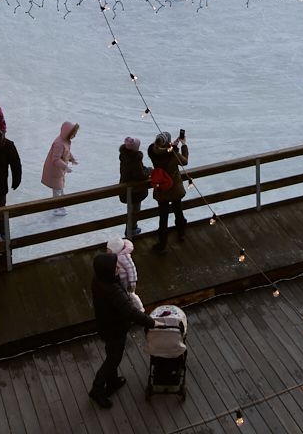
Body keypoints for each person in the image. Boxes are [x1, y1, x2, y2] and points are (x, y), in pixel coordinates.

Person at [87, 250, 157, 409]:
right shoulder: (112, 291)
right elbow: (131, 312)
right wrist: (152, 323)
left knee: (112, 354)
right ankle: (97, 389)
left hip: (106, 325)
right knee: (113, 359)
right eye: (115, 267)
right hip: (115, 329)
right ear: (108, 272)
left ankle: (112, 382)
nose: (118, 267)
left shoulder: (98, 280)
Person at [147, 130, 189, 253]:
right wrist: (183, 145)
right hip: (174, 188)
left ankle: (162, 244)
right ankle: (181, 234)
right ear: (167, 144)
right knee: (178, 211)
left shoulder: (152, 152)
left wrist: (172, 146)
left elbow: (161, 150)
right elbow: (185, 161)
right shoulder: (173, 155)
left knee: (163, 217)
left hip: (161, 188)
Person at [41, 121, 80, 215]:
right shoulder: (59, 143)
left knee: (59, 188)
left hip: (59, 170)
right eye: (73, 134)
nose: (74, 136)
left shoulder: (65, 141)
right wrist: (66, 166)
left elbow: (67, 152)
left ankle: (60, 205)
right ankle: (57, 208)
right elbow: (55, 159)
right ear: (67, 133)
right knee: (57, 189)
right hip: (54, 171)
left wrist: (72, 159)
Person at [118, 136, 151, 236]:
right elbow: (140, 175)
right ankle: (131, 229)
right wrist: (149, 170)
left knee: (131, 210)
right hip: (135, 191)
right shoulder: (135, 159)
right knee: (135, 211)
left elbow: (136, 170)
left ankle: (131, 229)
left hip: (126, 188)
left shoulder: (124, 156)